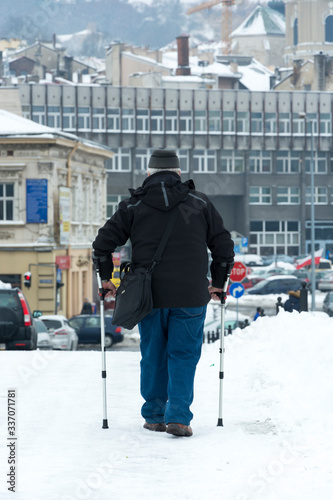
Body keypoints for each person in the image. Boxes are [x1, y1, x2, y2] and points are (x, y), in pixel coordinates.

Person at [92, 149, 234, 437]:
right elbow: (224, 246)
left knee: (153, 353)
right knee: (183, 355)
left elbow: (102, 245)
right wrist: (218, 283)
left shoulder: (133, 206)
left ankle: (155, 415)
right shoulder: (199, 202)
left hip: (149, 296)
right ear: (178, 173)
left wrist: (106, 280)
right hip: (191, 296)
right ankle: (179, 418)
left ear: (149, 173)